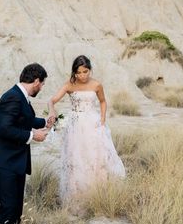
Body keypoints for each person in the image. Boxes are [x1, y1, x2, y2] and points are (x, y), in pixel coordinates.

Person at [0, 63, 55, 224]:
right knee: (7, 208)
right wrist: (33, 135)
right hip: (4, 162)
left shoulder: (19, 96)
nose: (41, 88)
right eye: (41, 84)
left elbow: (23, 119)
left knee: (16, 210)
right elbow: (4, 129)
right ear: (36, 81)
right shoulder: (12, 97)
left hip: (14, 162)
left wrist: (44, 123)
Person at [47, 55, 125, 214]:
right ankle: (77, 200)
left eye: (85, 71)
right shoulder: (69, 85)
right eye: (79, 72)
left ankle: (97, 198)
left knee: (96, 158)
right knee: (76, 158)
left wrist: (102, 118)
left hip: (93, 124)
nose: (82, 75)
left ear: (90, 70)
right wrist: (52, 111)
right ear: (74, 73)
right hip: (75, 125)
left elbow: (103, 101)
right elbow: (52, 100)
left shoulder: (96, 84)